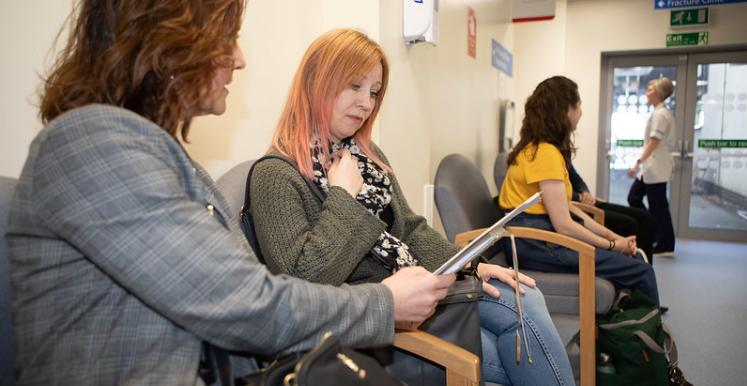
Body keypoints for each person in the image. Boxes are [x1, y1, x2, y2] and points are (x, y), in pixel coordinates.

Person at [7, 2, 454, 385]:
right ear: (166, 42)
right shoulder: (93, 145)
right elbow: (246, 304)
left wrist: (463, 266)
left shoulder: (158, 156)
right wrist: (384, 302)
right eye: (227, 38)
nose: (239, 60)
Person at [250, 29, 576, 386]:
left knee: (522, 295)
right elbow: (302, 284)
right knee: (504, 352)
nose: (366, 103)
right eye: (354, 87)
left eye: (373, 92)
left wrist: (471, 266)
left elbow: (409, 229)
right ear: (316, 82)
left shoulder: (366, 157)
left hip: (416, 296)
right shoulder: (274, 175)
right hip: (370, 326)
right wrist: (344, 198)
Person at [498, 76, 660, 306]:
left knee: (628, 260)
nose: (581, 112)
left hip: (535, 240)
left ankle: (620, 332)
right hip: (535, 244)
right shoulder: (545, 153)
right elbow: (563, 224)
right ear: (565, 111)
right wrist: (613, 246)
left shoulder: (537, 148)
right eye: (578, 106)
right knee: (641, 271)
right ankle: (643, 338)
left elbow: (569, 209)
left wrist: (612, 238)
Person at [627, 77, 677, 256]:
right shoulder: (659, 112)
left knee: (658, 205)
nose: (646, 93)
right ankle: (656, 234)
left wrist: (637, 163)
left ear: (657, 93)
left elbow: (654, 142)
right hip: (652, 168)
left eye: (649, 90)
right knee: (635, 197)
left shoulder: (660, 114)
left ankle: (665, 243)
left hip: (656, 167)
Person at [568, 164, 655, 263]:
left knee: (645, 217)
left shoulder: (563, 155)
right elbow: (560, 194)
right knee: (629, 224)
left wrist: (585, 192)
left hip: (588, 203)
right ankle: (635, 267)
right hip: (578, 207)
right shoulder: (551, 155)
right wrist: (579, 197)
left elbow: (577, 180)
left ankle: (645, 266)